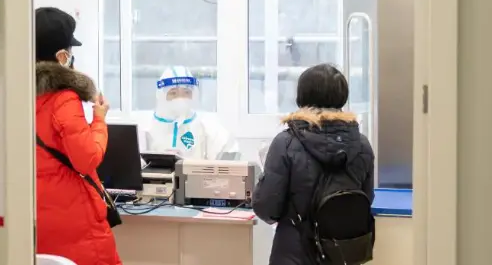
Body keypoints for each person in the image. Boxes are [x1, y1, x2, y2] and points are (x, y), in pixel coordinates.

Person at [252, 64, 376, 265]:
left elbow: (267, 208)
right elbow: (366, 198)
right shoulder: (362, 145)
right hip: (342, 254)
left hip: (294, 255)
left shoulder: (286, 143)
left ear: (302, 96)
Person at [33, 7, 122, 265]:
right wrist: (99, 119)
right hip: (74, 219)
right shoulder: (64, 99)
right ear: (62, 57)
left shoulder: (17, 95)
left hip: (36, 215)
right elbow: (87, 159)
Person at [141, 66, 239, 160]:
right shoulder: (146, 128)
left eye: (186, 92)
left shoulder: (206, 128)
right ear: (162, 95)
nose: (180, 98)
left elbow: (230, 153)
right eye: (173, 93)